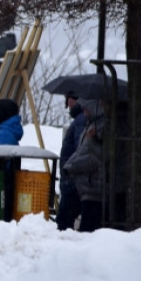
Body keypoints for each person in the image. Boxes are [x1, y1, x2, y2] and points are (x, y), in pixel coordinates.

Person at [63, 99, 105, 232]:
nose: (84, 112)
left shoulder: (99, 127)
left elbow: (96, 156)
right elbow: (81, 150)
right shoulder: (90, 124)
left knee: (87, 229)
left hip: (92, 186)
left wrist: (71, 166)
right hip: (86, 185)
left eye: (86, 108)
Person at [56, 93, 85, 231]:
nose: (67, 104)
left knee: (64, 221)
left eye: (69, 99)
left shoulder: (80, 121)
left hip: (73, 179)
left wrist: (69, 170)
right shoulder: (80, 120)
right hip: (74, 178)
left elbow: (80, 148)